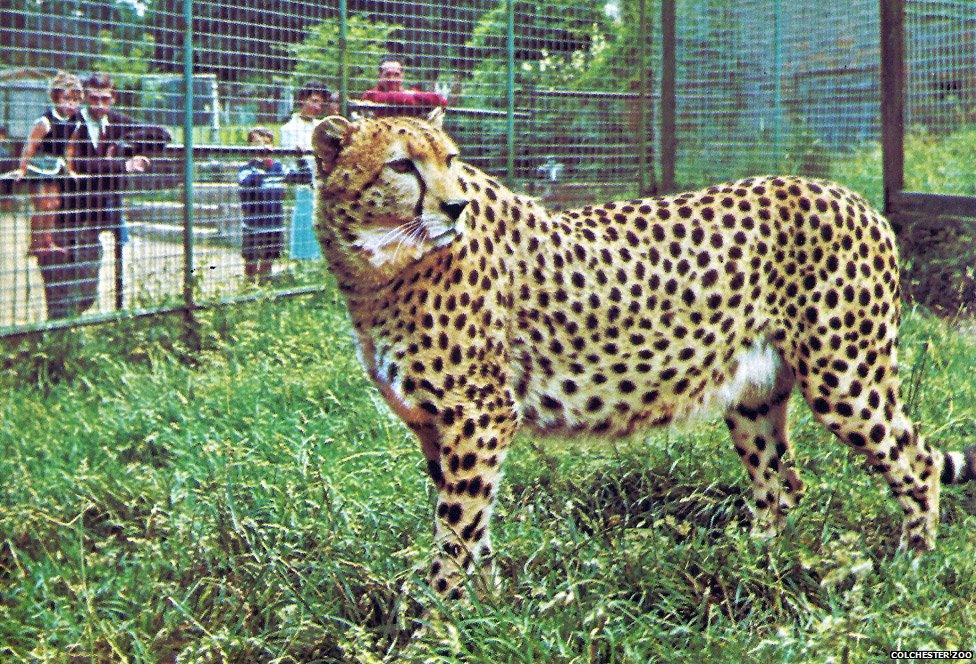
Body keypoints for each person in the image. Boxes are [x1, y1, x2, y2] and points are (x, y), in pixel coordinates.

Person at [38, 72, 166, 320]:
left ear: (113, 99)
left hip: (91, 222)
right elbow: (77, 164)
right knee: (58, 299)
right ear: (84, 96)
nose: (98, 105)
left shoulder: (115, 122)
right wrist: (121, 165)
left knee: (86, 294)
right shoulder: (67, 120)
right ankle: (57, 348)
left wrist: (123, 147)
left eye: (104, 99)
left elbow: (161, 135)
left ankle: (66, 338)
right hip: (61, 220)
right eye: (93, 98)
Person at [15, 71, 83, 262]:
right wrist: (22, 168)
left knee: (54, 204)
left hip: (55, 165)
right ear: (55, 97)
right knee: (42, 205)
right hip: (38, 165)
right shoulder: (45, 121)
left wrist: (69, 170)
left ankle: (48, 240)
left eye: (76, 99)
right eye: (67, 98)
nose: (71, 103)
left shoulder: (75, 122)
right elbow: (30, 146)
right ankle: (35, 243)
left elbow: (69, 147)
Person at [280, 80, 336, 260]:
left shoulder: (322, 127)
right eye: (314, 100)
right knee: (304, 222)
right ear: (303, 100)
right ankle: (301, 263)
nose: (317, 106)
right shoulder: (289, 128)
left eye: (320, 103)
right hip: (305, 185)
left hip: (323, 183)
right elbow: (290, 163)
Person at [238, 127, 286, 283]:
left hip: (274, 224)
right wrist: (262, 165)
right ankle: (248, 289)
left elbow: (304, 177)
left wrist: (300, 158)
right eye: (258, 142)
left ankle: (264, 289)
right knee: (251, 261)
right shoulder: (245, 169)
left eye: (267, 143)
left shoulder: (278, 167)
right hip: (253, 225)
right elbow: (249, 184)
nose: (263, 147)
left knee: (268, 259)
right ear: (250, 146)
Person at [359, 56, 448, 117]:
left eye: (396, 75)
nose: (392, 79)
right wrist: (413, 99)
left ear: (402, 76)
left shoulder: (411, 92)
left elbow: (440, 100)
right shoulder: (370, 95)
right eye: (387, 74)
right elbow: (390, 97)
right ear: (380, 76)